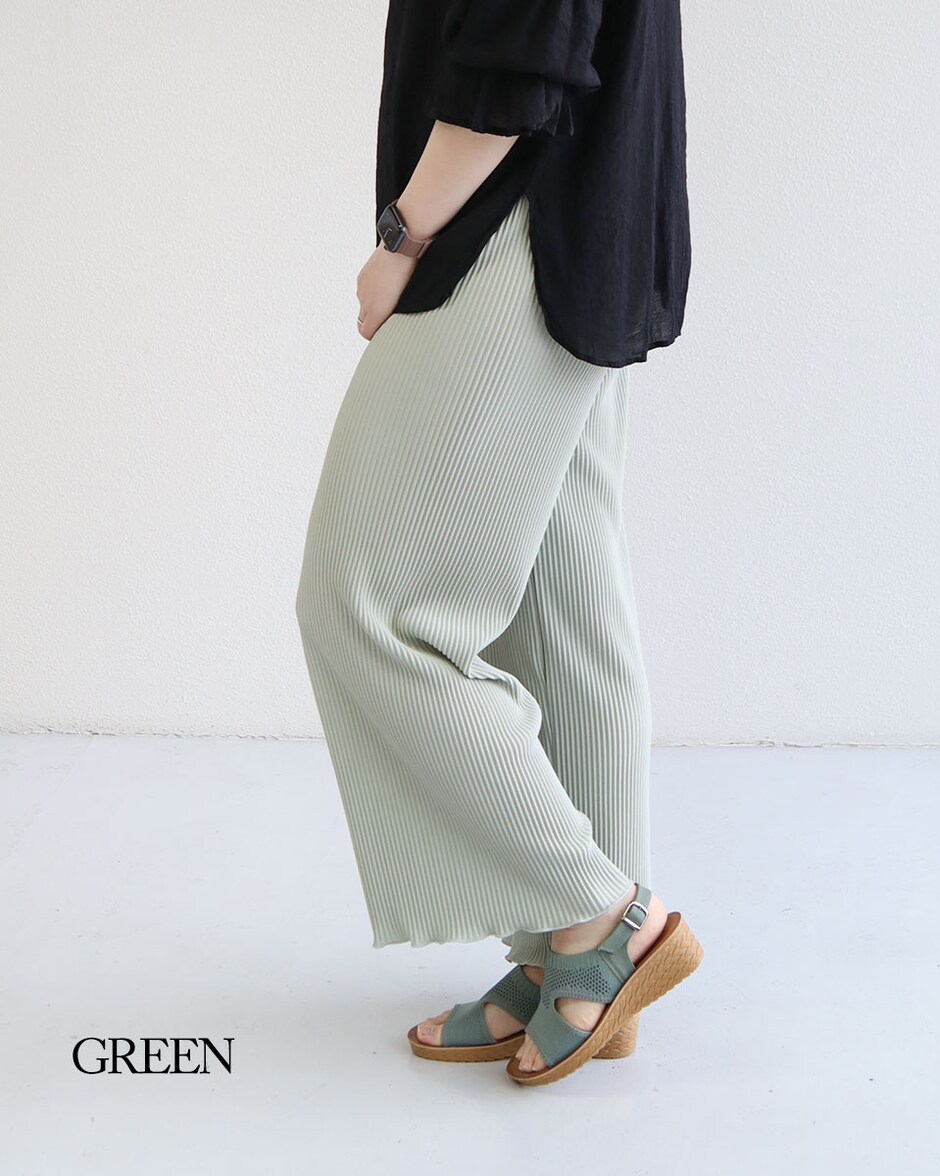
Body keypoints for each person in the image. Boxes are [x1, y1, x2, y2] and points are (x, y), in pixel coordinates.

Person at [294, 0, 703, 1087]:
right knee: (565, 611)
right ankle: (575, 969)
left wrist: (403, 237)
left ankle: (600, 913)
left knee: (366, 606)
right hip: (586, 218)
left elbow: (521, 57)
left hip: (512, 223)